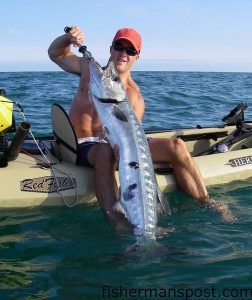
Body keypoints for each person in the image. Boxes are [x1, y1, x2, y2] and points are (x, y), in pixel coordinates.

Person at [48, 26, 235, 226]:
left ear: (137, 57)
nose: (123, 54)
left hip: (116, 144)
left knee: (177, 146)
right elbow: (55, 53)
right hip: (81, 144)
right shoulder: (89, 70)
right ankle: (117, 221)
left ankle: (206, 201)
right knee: (105, 151)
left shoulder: (135, 96)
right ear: (111, 48)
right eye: (119, 47)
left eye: (130, 51)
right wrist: (68, 38)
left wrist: (123, 152)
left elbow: (130, 138)